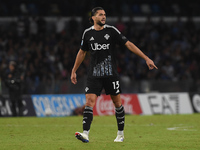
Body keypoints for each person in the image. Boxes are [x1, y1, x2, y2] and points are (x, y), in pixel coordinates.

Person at [71, 7, 158, 143]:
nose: (103, 17)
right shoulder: (87, 33)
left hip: (110, 74)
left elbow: (128, 44)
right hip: (94, 74)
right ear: (93, 18)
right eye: (100, 15)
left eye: (104, 15)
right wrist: (74, 70)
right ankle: (85, 134)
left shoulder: (111, 31)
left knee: (117, 103)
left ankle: (120, 134)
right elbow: (82, 52)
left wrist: (146, 58)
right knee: (89, 102)